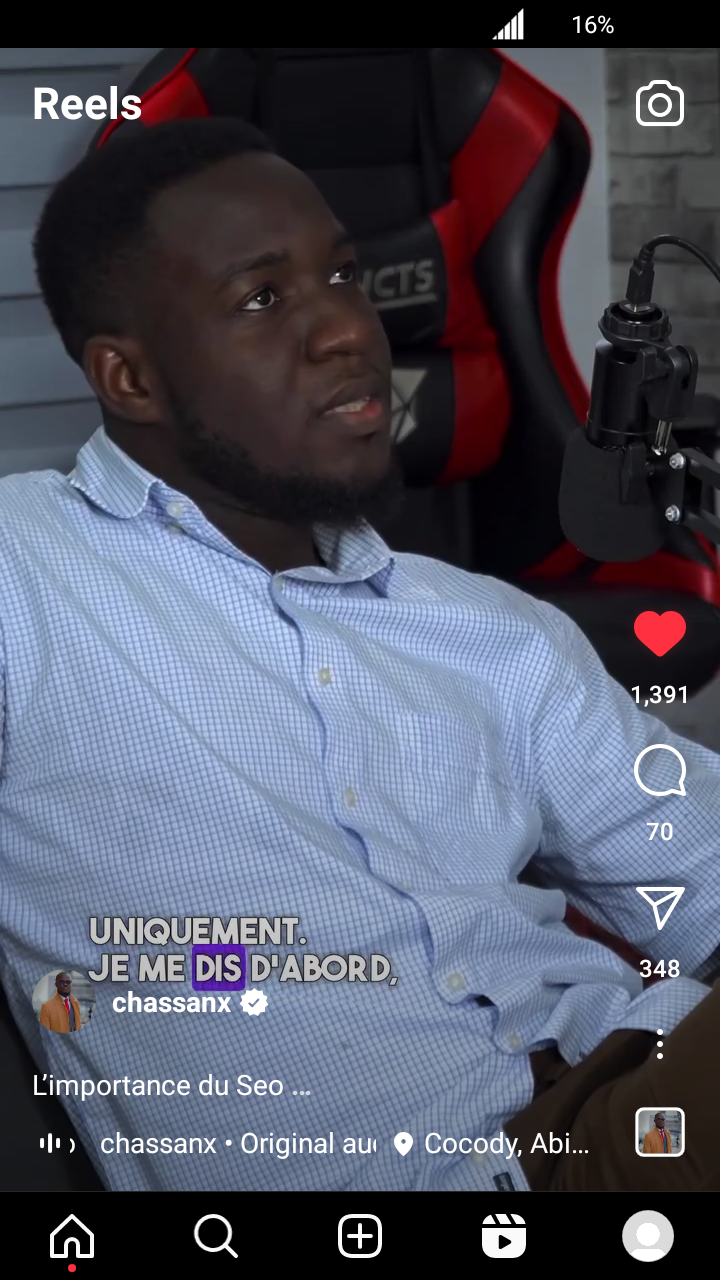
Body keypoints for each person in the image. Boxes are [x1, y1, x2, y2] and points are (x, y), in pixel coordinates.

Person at [1, 116, 719, 1194]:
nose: (347, 328)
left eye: (344, 275)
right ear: (129, 379)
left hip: (632, 1093)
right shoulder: (26, 569)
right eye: (263, 298)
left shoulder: (492, 630)